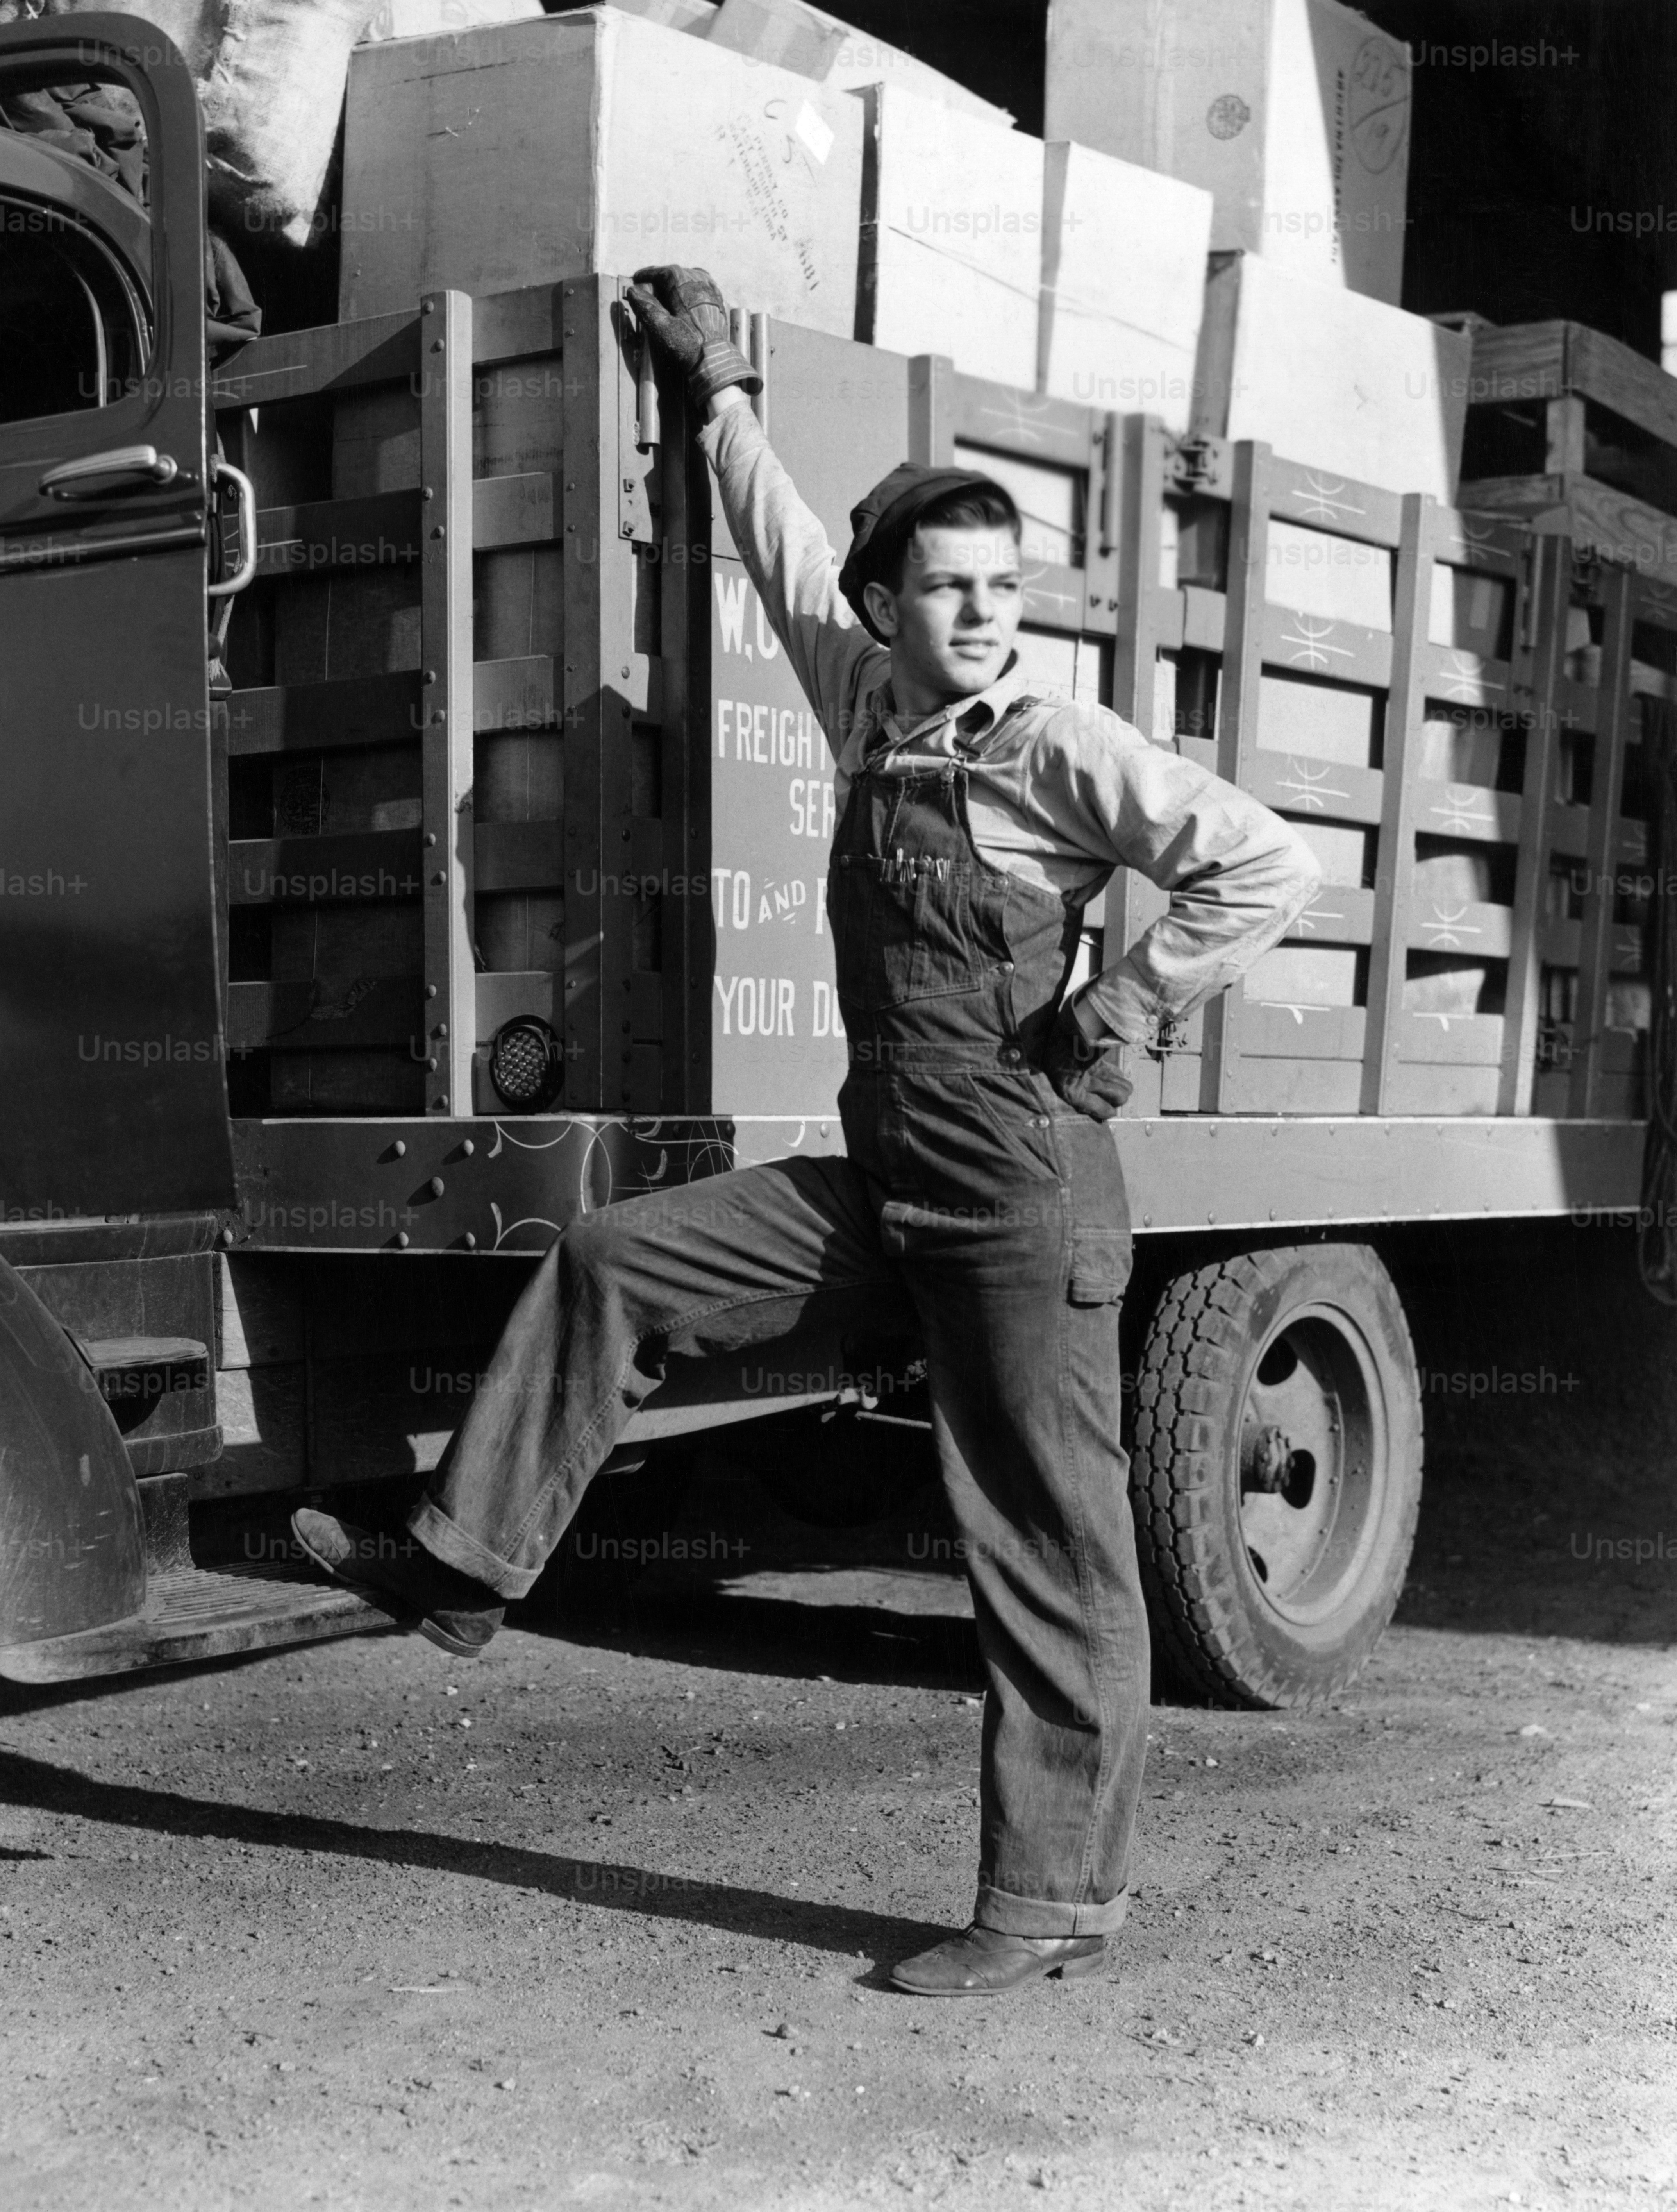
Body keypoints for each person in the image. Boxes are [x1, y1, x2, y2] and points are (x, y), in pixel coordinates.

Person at [294, 265, 1322, 1997]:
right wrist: (712, 399)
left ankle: (1052, 1902)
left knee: (1046, 1537)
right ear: (888, 604)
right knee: (620, 1259)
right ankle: (464, 1566)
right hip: (890, 1176)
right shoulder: (869, 705)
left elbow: (1262, 861)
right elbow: (777, 545)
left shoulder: (1056, 742)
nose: (983, 613)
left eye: (1003, 587)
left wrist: (1131, 1004)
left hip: (1020, 1190)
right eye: (948, 586)